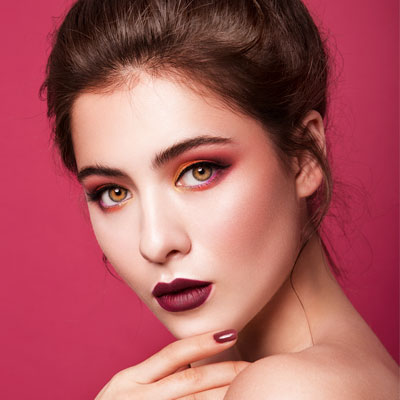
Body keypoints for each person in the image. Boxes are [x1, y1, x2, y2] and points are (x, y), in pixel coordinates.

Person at [41, 0, 398, 398]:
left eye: (200, 171)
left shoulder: (294, 389)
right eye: (114, 192)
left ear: (303, 157)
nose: (155, 243)